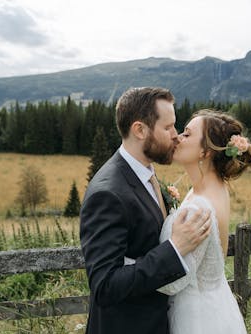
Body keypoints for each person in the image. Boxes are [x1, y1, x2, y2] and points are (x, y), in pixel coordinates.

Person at [80, 87, 211, 334]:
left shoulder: (145, 174)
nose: (175, 135)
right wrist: (175, 248)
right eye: (168, 127)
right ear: (140, 130)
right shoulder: (107, 194)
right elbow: (105, 286)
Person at [156, 109, 251, 334]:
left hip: (196, 318)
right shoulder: (212, 188)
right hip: (217, 305)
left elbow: (173, 282)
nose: (177, 138)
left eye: (187, 134)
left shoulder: (199, 208)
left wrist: (127, 265)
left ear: (205, 151)